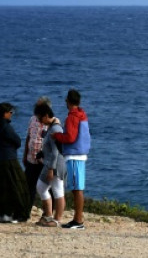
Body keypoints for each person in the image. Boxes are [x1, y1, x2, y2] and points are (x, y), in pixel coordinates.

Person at [53, 88, 91, 230]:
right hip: (80, 154)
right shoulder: (82, 115)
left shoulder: (72, 117)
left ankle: (78, 220)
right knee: (77, 188)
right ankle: (77, 218)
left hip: (74, 155)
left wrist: (56, 136)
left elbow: (70, 137)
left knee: (76, 188)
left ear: (67, 101)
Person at [0, 101, 32, 223]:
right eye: (10, 112)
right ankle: (19, 214)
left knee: (3, 187)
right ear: (5, 113)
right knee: (17, 185)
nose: (11, 114)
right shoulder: (6, 127)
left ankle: (2, 213)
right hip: (9, 159)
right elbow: (17, 141)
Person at [34, 102, 67, 227]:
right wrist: (42, 153)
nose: (39, 121)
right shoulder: (50, 127)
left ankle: (56, 220)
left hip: (55, 165)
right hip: (49, 164)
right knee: (43, 187)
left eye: (40, 118)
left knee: (57, 190)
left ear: (46, 115)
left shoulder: (55, 129)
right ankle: (48, 216)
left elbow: (55, 152)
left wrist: (51, 169)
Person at [23, 96, 52, 211]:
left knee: (46, 188)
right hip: (31, 159)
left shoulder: (51, 122)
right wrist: (25, 155)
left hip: (44, 161)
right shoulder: (32, 119)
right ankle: (25, 211)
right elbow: (28, 137)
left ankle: (47, 213)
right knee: (28, 186)